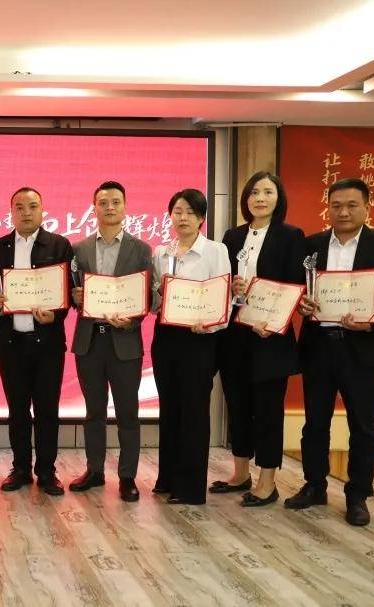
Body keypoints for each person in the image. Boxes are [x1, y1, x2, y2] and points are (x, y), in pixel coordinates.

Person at [287, 177, 374, 526]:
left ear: (367, 207)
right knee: (315, 423)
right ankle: (314, 485)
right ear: (328, 208)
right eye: (336, 205)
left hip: (363, 349)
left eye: (352, 205)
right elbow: (298, 290)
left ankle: (358, 496)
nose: (343, 212)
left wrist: (371, 320)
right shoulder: (311, 246)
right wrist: (301, 304)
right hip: (319, 346)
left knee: (363, 425)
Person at [213, 172, 306, 507]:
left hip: (270, 335)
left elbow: (296, 284)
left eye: (268, 192)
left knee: (267, 411)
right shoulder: (233, 236)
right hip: (236, 333)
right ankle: (240, 473)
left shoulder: (291, 236)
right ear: (246, 199)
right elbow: (221, 280)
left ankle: (268, 481)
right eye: (254, 192)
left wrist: (274, 320)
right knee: (237, 405)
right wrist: (233, 287)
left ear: (278, 198)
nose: (260, 198)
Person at [68, 181, 157, 502]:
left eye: (116, 202)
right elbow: (70, 293)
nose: (109, 207)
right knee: (93, 412)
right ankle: (94, 470)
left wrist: (131, 319)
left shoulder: (141, 249)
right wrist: (75, 296)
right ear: (94, 208)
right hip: (89, 341)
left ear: (125, 207)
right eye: (103, 202)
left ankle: (127, 476)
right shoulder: (79, 249)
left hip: (125, 341)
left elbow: (148, 296)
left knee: (127, 413)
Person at [0, 187, 74, 496]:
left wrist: (56, 314)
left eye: (32, 206)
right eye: (19, 207)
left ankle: (47, 471)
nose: (26, 212)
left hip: (48, 343)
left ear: (42, 210)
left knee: (47, 409)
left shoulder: (60, 245)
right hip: (10, 343)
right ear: (11, 212)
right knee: (18, 409)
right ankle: (20, 468)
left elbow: (69, 292)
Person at [151, 188, 230, 505]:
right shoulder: (161, 252)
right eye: (177, 211)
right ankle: (168, 478)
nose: (182, 217)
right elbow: (155, 302)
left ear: (201, 218)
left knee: (194, 412)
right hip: (166, 337)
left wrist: (209, 322)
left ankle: (190, 488)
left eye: (190, 212)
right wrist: (157, 295)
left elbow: (223, 298)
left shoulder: (215, 251)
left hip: (198, 339)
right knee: (169, 408)